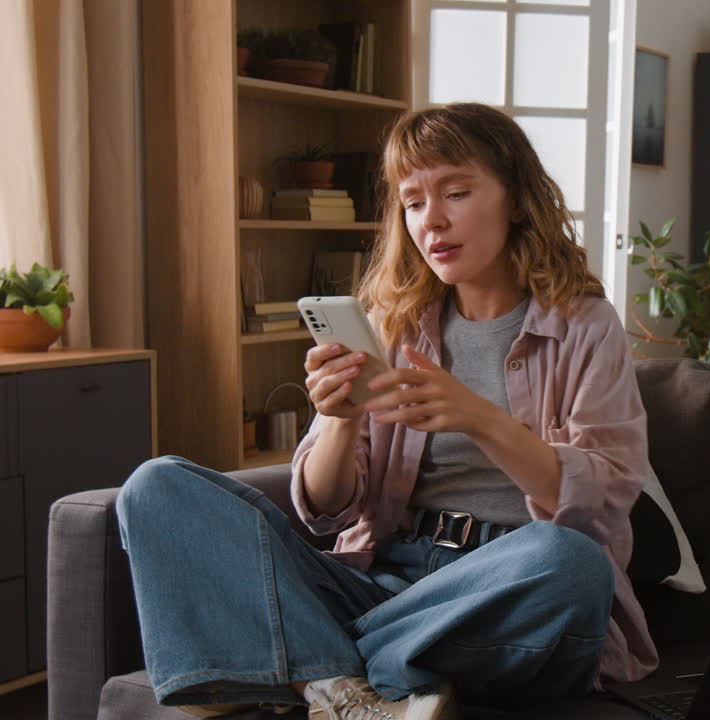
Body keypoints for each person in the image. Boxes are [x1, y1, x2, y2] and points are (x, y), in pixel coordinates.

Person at [115, 102, 658, 720]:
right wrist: (342, 419)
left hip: (506, 587)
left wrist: (481, 419)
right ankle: (367, 689)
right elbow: (323, 511)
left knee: (571, 562)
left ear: (515, 197)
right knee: (155, 487)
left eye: (456, 192)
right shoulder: (393, 326)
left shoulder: (585, 326)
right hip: (386, 576)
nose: (433, 222)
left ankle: (306, 664)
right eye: (414, 201)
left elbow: (606, 498)